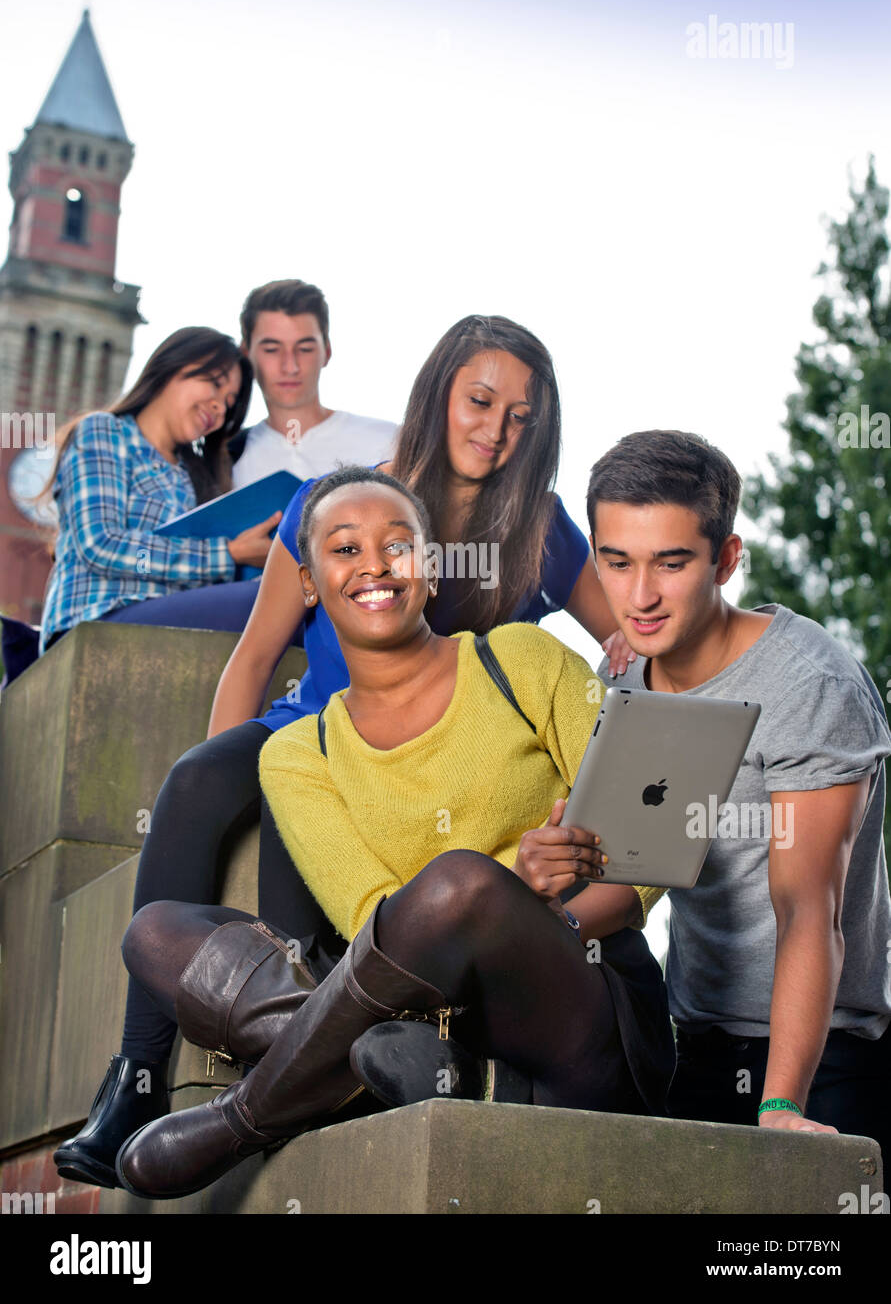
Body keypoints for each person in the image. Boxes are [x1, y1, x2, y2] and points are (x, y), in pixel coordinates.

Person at [54, 314, 633, 1189]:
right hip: (315, 723)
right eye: (480, 401)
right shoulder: (341, 498)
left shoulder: (539, 529)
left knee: (332, 835)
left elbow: (623, 635)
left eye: (522, 417)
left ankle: (285, 1077)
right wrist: (250, 763)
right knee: (202, 784)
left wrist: (640, 647)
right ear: (439, 394)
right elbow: (254, 654)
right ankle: (137, 1079)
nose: (495, 428)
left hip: (442, 753)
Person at [112, 466, 674, 1200]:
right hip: (418, 1009)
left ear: (429, 568)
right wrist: (510, 879)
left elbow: (650, 848)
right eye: (344, 549)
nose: (374, 565)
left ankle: (248, 1115)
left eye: (396, 545)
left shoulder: (522, 660)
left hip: (575, 1004)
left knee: (460, 881)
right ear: (309, 583)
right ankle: (409, 1066)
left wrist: (529, 906)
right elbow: (373, 919)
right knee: (154, 933)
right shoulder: (297, 754)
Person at [583, 428, 891, 1160]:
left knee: (797, 1267)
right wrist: (541, 893)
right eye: (616, 562)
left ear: (725, 559)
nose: (640, 595)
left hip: (826, 1055)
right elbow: (636, 878)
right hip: (698, 1039)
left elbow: (805, 908)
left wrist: (780, 1103)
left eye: (671, 563)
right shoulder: (627, 685)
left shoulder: (806, 685)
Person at [37, 327, 285, 656]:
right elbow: (100, 545)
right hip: (95, 617)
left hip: (166, 620)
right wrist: (229, 554)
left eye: (228, 402)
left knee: (291, 599)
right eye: (214, 383)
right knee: (269, 606)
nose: (220, 407)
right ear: (170, 367)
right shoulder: (104, 432)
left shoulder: (195, 476)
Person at [228, 279, 399, 487]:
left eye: (305, 348)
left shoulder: (389, 441)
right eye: (272, 350)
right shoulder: (227, 460)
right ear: (246, 355)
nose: (290, 366)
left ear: (326, 352)